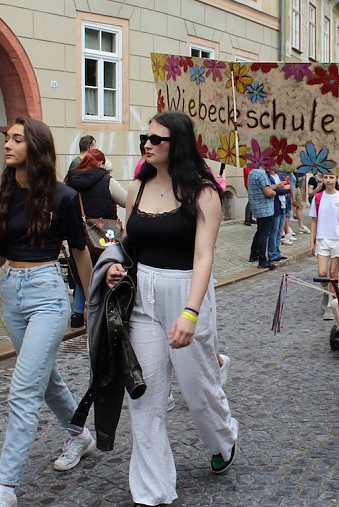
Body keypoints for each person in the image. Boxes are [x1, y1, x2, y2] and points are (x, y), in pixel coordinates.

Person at [0, 117, 95, 507]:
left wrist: (91, 303)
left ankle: (6, 488)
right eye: (7, 139)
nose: (8, 145)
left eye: (17, 139)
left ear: (34, 147)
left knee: (22, 390)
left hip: (48, 293)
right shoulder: (0, 195)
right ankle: (81, 434)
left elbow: (81, 251)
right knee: (45, 379)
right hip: (12, 292)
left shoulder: (63, 196)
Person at [103, 111, 238, 506]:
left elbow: (204, 257)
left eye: (156, 139)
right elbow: (129, 243)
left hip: (186, 292)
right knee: (144, 396)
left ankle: (224, 437)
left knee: (199, 391)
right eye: (145, 138)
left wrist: (191, 313)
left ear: (176, 143)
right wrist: (116, 268)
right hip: (142, 296)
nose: (147, 144)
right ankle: (153, 490)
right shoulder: (138, 187)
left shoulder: (203, 192)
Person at [64, 148, 127, 328]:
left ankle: (77, 313)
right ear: (101, 164)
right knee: (105, 271)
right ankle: (105, 312)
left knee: (80, 273)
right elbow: (126, 200)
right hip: (103, 236)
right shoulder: (107, 180)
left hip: (78, 233)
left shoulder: (70, 180)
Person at [308, 172, 339, 318]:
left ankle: (332, 303)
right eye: (325, 177)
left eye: (331, 177)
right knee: (322, 273)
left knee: (333, 273)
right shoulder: (318, 198)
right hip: (322, 238)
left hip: (338, 238)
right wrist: (311, 241)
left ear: (336, 178)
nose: (328, 180)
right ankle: (325, 292)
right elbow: (314, 220)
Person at [247, 165, 278, 270]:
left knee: (260, 232)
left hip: (256, 207)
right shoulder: (261, 174)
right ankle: (262, 260)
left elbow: (262, 188)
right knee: (264, 235)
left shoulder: (252, 172)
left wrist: (277, 185)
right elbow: (268, 192)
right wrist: (275, 193)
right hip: (265, 209)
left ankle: (253, 254)